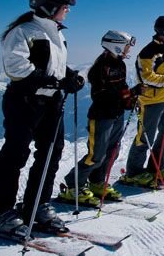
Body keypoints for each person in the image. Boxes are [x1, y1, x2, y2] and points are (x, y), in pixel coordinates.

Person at [0, 0, 84, 238]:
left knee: (51, 152)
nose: (68, 10)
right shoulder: (23, 31)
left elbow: (54, 66)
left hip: (51, 102)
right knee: (15, 153)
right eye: (65, 6)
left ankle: (36, 205)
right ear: (49, 7)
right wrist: (56, 82)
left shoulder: (55, 33)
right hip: (24, 101)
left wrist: (70, 76)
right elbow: (17, 67)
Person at [58, 30, 136, 206]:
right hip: (102, 116)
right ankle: (73, 185)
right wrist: (128, 94)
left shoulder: (120, 65)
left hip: (117, 114)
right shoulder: (100, 67)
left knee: (112, 151)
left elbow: (122, 88)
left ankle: (97, 182)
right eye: (126, 46)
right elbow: (101, 96)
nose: (128, 50)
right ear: (116, 46)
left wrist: (129, 99)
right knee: (96, 155)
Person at [121, 16, 164, 187]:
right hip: (152, 101)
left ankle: (156, 168)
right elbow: (146, 76)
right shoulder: (149, 52)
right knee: (145, 137)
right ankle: (133, 173)